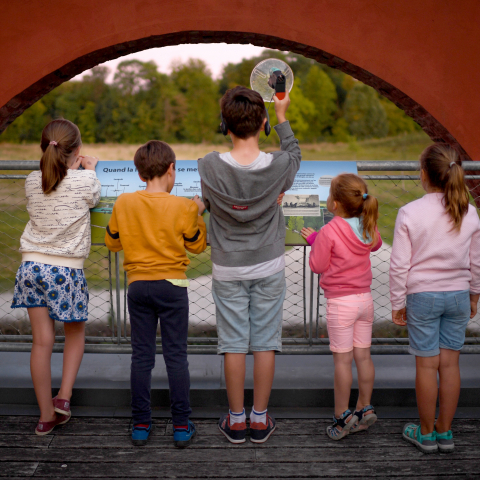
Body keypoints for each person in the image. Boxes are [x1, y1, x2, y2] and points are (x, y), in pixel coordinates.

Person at [198, 86, 301, 444]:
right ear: (263, 123)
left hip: (227, 267)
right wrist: (283, 116)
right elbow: (294, 152)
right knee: (265, 342)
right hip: (268, 265)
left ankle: (236, 419)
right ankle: (260, 419)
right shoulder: (280, 166)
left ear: (224, 124)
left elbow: (210, 203)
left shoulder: (208, 165)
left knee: (233, 343)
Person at [105, 140, 207, 447]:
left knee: (141, 356)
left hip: (138, 286)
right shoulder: (183, 207)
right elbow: (197, 245)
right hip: (173, 286)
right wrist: (198, 210)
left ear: (140, 174)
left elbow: (112, 242)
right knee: (176, 356)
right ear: (172, 170)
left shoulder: (124, 202)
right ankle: (180, 426)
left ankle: (140, 424)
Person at [11, 119, 101, 435]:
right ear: (76, 151)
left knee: (42, 342)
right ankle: (63, 397)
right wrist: (90, 168)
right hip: (66, 270)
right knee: (74, 334)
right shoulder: (84, 180)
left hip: (31, 267)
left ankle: (45, 416)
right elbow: (91, 197)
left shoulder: (32, 180)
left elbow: (53, 184)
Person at [390, 143, 480, 454]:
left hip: (422, 298)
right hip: (457, 296)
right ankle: (445, 432)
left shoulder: (409, 212)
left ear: (424, 175)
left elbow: (399, 265)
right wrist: (474, 296)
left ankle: (425, 434)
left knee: (427, 367)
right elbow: (476, 261)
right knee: (451, 366)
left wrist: (398, 303)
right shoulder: (469, 211)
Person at [301, 173, 382, 440]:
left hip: (341, 304)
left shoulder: (329, 230)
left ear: (335, 204)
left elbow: (318, 265)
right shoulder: (367, 223)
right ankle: (364, 407)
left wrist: (315, 241)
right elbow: (375, 244)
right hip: (364, 301)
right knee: (363, 357)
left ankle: (341, 415)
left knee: (343, 362)